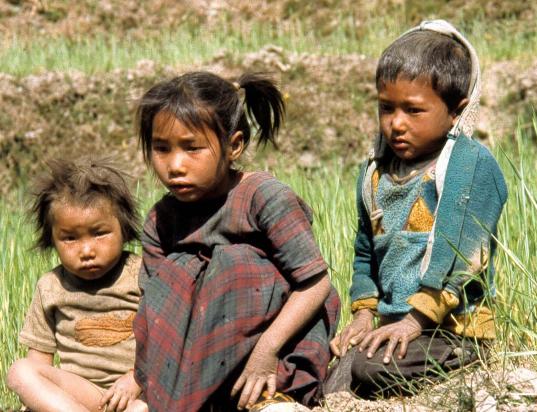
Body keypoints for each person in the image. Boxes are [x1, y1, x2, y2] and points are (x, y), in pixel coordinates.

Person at [127, 71, 340, 412]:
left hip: (276, 351)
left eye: (192, 148)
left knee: (234, 265)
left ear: (234, 146)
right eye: (161, 149)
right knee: (177, 273)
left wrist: (266, 351)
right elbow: (154, 310)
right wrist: (139, 378)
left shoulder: (264, 198)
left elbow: (315, 283)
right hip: (196, 361)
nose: (175, 165)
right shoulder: (160, 220)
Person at [326, 20, 508, 397]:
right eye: (386, 108)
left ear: (456, 112)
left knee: (368, 367)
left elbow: (459, 254)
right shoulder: (375, 174)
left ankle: (467, 368)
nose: (396, 124)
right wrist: (363, 314)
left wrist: (414, 321)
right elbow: (365, 252)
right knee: (333, 377)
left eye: (413, 110)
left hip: (451, 331)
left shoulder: (468, 166)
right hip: (399, 326)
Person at [7, 157, 143, 412]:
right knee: (20, 372)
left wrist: (136, 378)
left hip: (135, 392)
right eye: (70, 238)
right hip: (79, 395)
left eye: (100, 233)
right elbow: (40, 365)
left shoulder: (142, 275)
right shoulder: (51, 287)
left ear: (124, 230)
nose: (87, 250)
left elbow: (166, 344)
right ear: (52, 241)